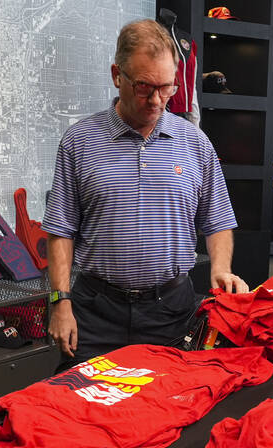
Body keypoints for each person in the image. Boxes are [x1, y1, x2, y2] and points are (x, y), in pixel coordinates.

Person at [42, 19, 246, 371]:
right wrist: (61, 302)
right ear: (116, 75)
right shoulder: (79, 141)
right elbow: (61, 230)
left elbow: (218, 220)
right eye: (143, 87)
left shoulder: (195, 142)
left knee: (168, 411)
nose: (156, 101)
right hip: (95, 312)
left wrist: (221, 268)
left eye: (166, 88)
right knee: (83, 410)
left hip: (171, 313)